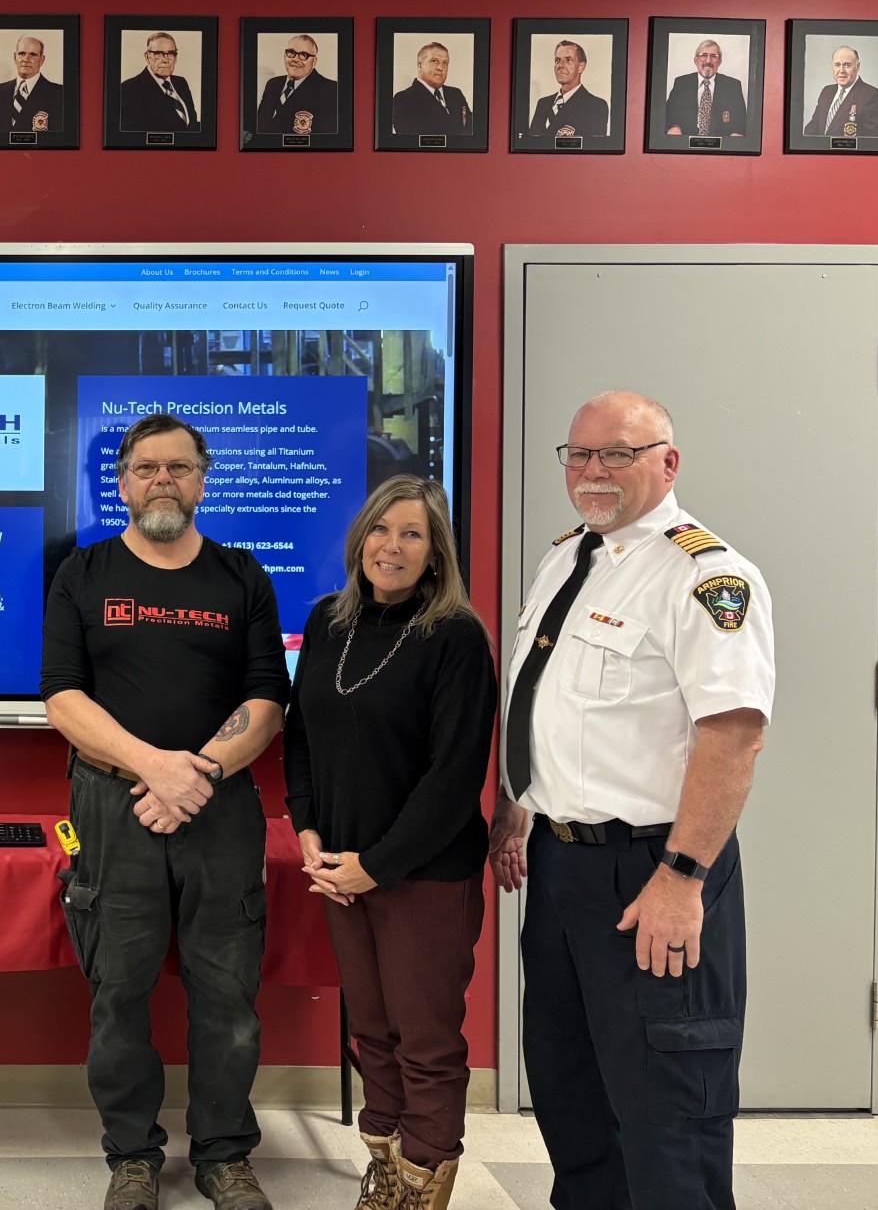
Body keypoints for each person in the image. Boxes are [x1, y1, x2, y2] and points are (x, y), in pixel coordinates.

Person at [491, 391, 773, 1210]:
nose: (592, 473)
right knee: (572, 1092)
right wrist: (520, 803)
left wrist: (683, 877)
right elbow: (548, 698)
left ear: (667, 462)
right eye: (578, 455)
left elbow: (733, 736)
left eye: (616, 454)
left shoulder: (706, 575)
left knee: (667, 1111)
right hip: (560, 864)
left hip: (653, 870)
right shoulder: (568, 558)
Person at [42, 413, 288, 1210]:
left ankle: (223, 1155)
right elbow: (63, 698)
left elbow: (266, 697)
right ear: (120, 481)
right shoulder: (82, 573)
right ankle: (133, 1158)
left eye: (179, 468)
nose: (162, 481)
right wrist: (154, 768)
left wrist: (201, 773)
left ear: (203, 479)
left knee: (228, 993)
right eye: (146, 468)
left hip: (221, 808)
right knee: (119, 989)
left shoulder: (241, 576)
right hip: (113, 807)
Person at [282, 476, 496, 1210]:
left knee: (425, 1041)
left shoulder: (456, 637)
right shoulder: (327, 623)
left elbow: (454, 774)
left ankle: (423, 1181)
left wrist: (377, 866)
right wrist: (308, 829)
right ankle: (385, 1169)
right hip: (340, 869)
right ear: (359, 539)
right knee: (371, 1031)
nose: (391, 546)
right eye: (380, 530)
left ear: (436, 552)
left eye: (411, 534)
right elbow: (301, 736)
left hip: (423, 875)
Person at [255, 34, 336, 136]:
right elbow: (258, 128)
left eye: (303, 55)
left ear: (314, 61)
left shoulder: (331, 90)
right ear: (284, 55)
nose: (296, 59)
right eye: (291, 53)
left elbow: (328, 141)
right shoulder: (273, 84)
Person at [0, 34, 65, 133]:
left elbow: (60, 138)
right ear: (15, 57)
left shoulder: (59, 93)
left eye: (33, 55)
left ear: (41, 60)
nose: (26, 59)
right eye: (22, 54)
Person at [663, 39, 747, 137]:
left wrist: (736, 135)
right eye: (703, 55)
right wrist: (674, 127)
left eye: (713, 56)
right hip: (686, 141)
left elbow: (741, 121)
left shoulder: (733, 86)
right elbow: (668, 114)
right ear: (695, 60)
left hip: (721, 144)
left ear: (719, 62)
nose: (708, 61)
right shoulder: (681, 83)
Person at [119, 32, 199, 133]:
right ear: (147, 57)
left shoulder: (181, 83)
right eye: (158, 54)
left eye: (170, 54)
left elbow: (192, 124)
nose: (165, 60)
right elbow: (132, 136)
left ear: (175, 58)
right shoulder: (129, 89)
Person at [528, 39, 609, 138]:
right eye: (557, 60)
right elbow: (531, 143)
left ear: (581, 67)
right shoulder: (543, 103)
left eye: (568, 60)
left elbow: (594, 148)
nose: (560, 65)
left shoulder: (596, 106)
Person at [390, 42, 472, 138]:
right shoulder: (404, 99)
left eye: (445, 63)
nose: (440, 67)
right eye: (434, 61)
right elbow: (413, 142)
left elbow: (471, 130)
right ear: (420, 66)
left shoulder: (456, 94)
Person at [802, 44, 878, 137]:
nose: (841, 70)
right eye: (837, 65)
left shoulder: (872, 95)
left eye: (847, 65)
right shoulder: (826, 91)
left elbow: (874, 140)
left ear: (858, 66)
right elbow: (812, 129)